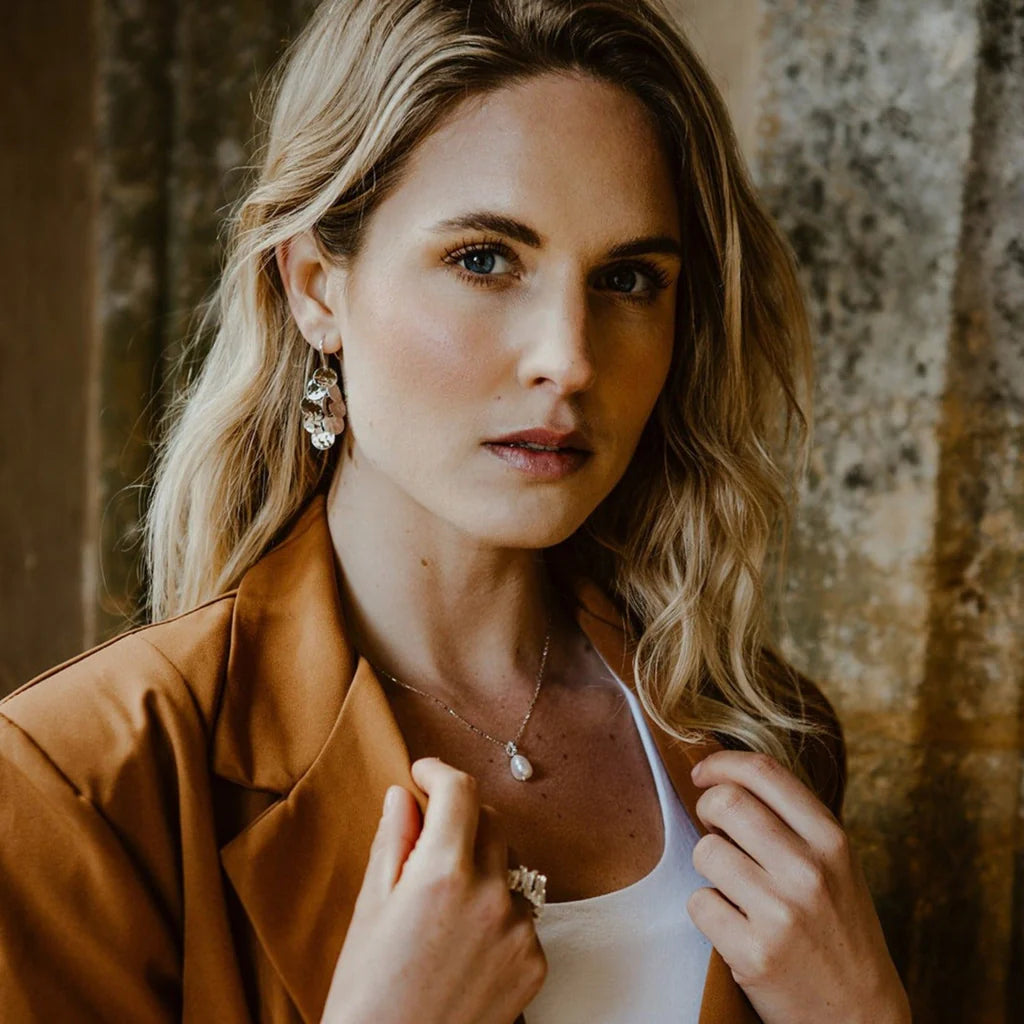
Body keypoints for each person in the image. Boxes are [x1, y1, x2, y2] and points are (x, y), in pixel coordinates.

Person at [0, 0, 911, 1021]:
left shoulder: (759, 735)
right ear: (315, 288)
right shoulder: (73, 784)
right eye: (484, 258)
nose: (567, 358)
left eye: (626, 278)